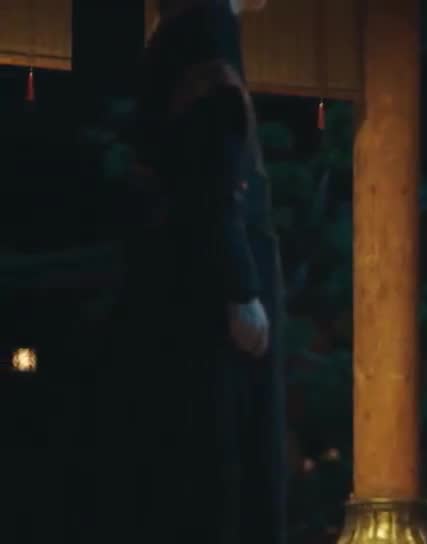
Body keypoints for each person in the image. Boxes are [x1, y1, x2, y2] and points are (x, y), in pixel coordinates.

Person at [101, 0, 286, 542]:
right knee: (222, 467)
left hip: (176, 283)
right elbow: (213, 165)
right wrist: (240, 286)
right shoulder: (205, 31)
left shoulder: (174, 34)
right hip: (208, 292)